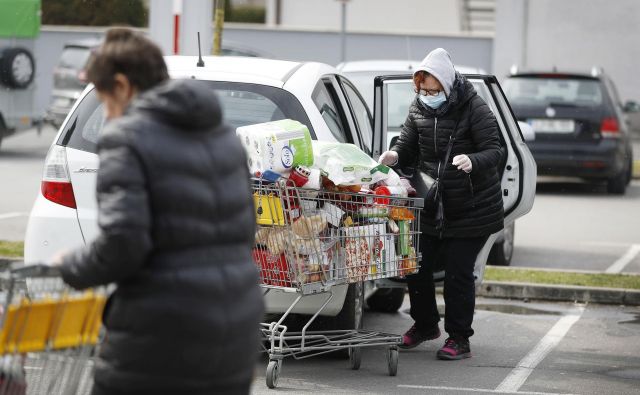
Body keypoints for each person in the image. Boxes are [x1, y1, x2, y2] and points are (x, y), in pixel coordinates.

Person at [53, 28, 264, 394]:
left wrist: (69, 265)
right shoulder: (224, 137)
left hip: (163, 334)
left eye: (106, 103)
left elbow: (123, 243)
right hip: (235, 328)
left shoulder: (126, 139)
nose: (109, 115)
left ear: (121, 86)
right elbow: (247, 229)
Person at [379, 48, 504, 360]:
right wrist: (394, 155)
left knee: (458, 274)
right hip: (434, 202)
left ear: (447, 86)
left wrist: (473, 160)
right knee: (415, 264)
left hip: (472, 207)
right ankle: (425, 325)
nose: (427, 96)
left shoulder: (474, 107)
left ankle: (459, 338)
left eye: (433, 91)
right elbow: (407, 145)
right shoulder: (418, 107)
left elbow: (496, 150)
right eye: (422, 90)